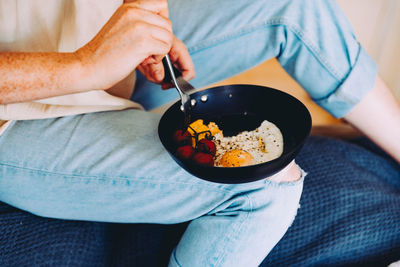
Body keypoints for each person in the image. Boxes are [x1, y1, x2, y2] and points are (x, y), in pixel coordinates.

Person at [0, 0, 399, 266]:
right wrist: (83, 67)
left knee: (292, 9)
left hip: (92, 44)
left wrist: (145, 15)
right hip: (16, 112)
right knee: (263, 183)